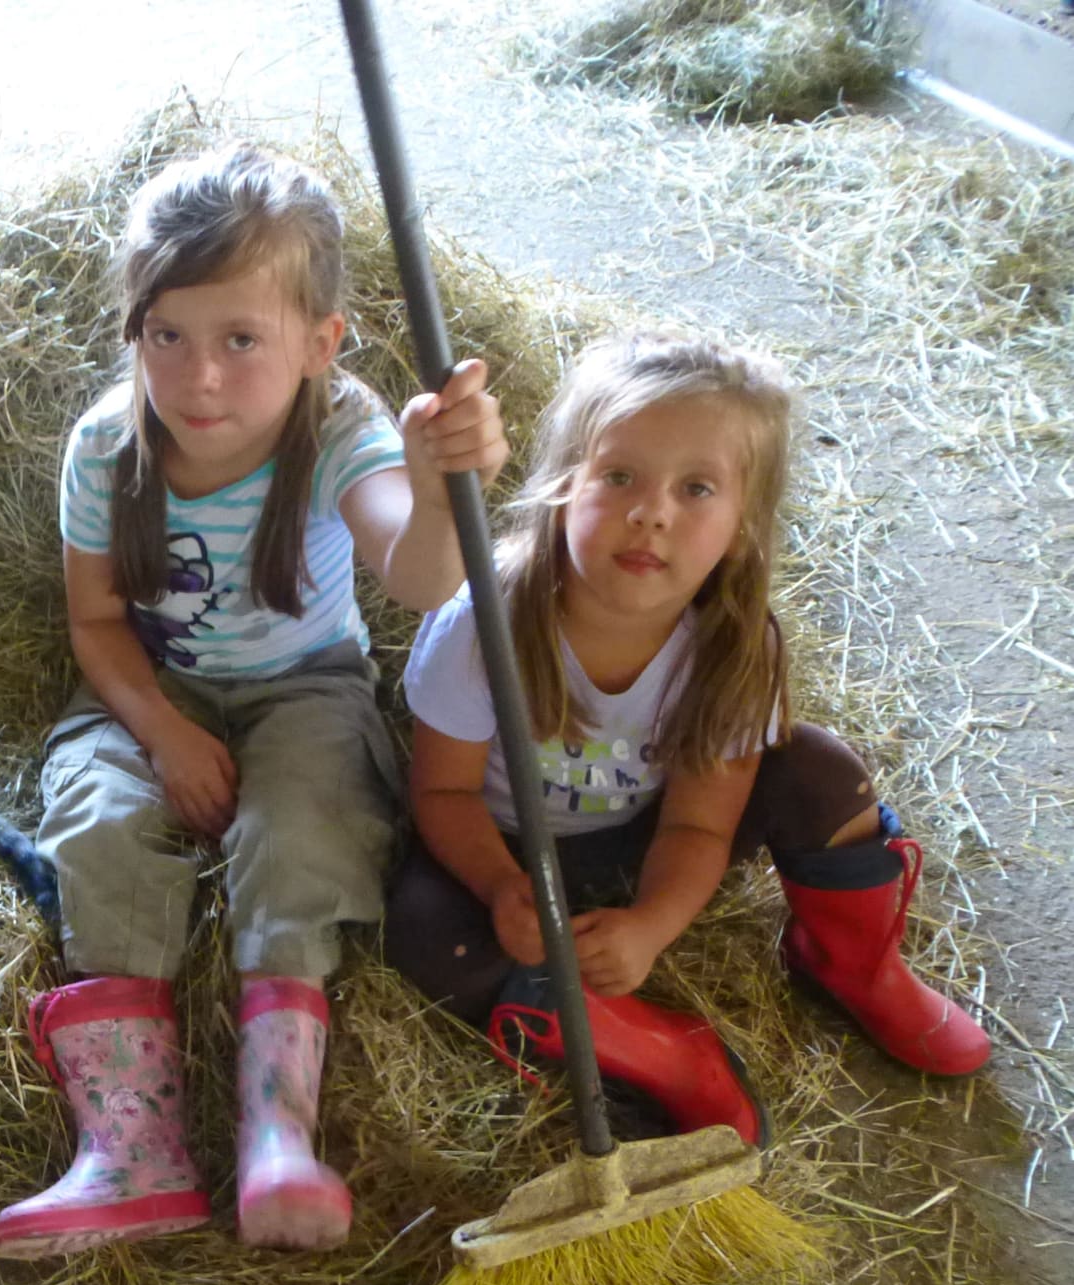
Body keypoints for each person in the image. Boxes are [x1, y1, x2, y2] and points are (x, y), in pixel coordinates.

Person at [0, 143, 507, 1260]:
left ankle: (279, 1137)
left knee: (304, 826)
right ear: (132, 328)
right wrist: (165, 733)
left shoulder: (343, 430)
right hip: (153, 682)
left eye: (241, 340)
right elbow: (96, 625)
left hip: (306, 685)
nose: (200, 379)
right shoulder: (105, 447)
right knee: (96, 818)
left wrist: (437, 492)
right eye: (166, 335)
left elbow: (419, 580)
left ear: (320, 343)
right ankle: (131, 1151)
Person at [384, 331, 989, 1146]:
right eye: (619, 476)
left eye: (697, 488)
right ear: (563, 489)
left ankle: (853, 966)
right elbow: (443, 789)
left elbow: (700, 823)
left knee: (821, 771)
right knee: (424, 934)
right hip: (503, 840)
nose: (652, 513)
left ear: (742, 527)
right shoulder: (483, 621)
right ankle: (660, 1051)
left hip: (646, 831)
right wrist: (498, 886)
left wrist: (652, 924)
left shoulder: (735, 643)